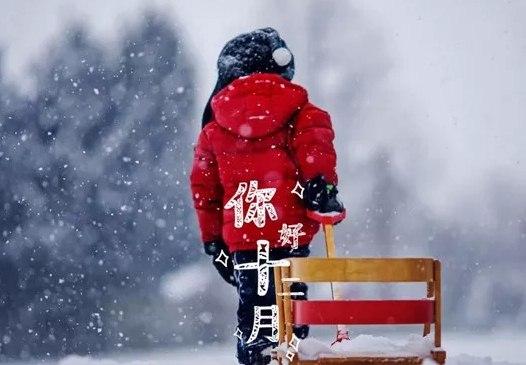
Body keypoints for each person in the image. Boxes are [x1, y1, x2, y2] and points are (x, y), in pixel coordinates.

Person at [190, 27, 344, 365]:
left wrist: (213, 241)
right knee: (291, 312)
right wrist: (322, 187)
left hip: (245, 240)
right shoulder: (305, 115)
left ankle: (257, 353)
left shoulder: (214, 130)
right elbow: (315, 153)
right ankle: (291, 349)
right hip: (290, 238)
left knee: (255, 313)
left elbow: (206, 192)